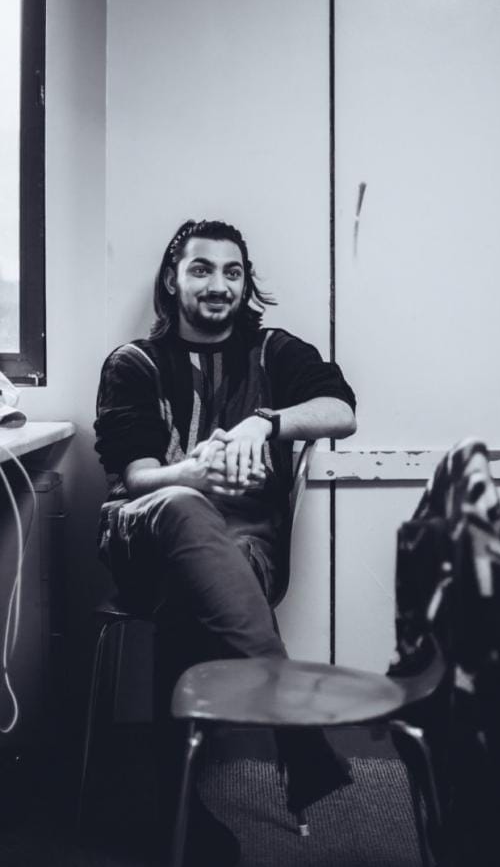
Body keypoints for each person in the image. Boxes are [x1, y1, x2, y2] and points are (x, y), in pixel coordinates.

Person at [93, 219, 357, 865]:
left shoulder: (273, 353)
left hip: (246, 552)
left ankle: (171, 808)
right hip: (146, 537)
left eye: (232, 272)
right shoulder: (135, 363)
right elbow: (136, 478)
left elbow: (341, 412)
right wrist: (199, 469)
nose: (219, 285)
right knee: (183, 507)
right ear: (172, 279)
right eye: (202, 270)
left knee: (202, 584)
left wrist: (262, 425)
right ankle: (293, 731)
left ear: (246, 284)